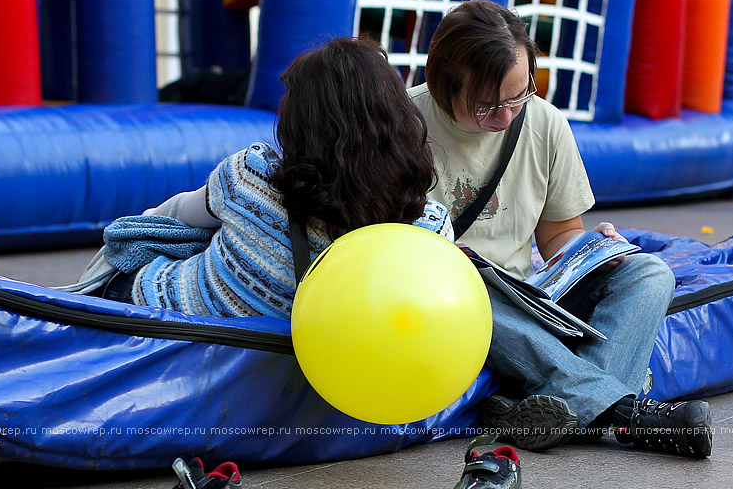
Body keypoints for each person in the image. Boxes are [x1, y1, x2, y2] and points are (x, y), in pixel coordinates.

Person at [409, 0, 712, 458]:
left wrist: (592, 250)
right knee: (463, 280)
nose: (507, 116)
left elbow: (557, 235)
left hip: (529, 295)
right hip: (451, 301)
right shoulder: (404, 124)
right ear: (443, 82)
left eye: (519, 95)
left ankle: (536, 411)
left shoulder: (545, 122)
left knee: (650, 273)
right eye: (488, 105)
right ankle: (624, 413)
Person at [79, 37, 453, 319]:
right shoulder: (432, 230)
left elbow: (172, 215)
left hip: (158, 316)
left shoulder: (250, 177)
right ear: (401, 120)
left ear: (302, 125)